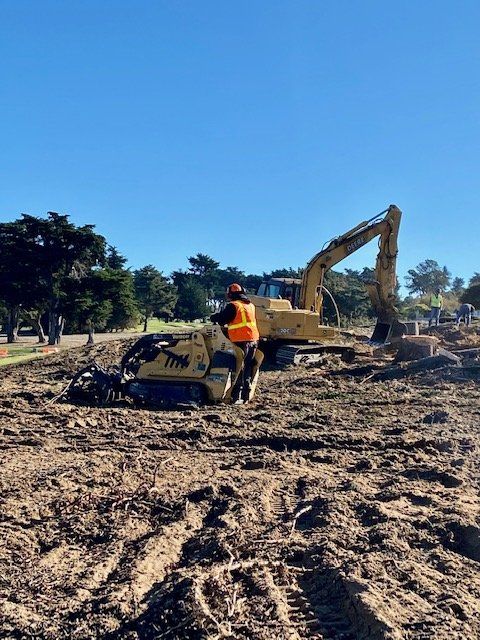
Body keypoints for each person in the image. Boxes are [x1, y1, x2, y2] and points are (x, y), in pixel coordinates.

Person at [210, 283, 260, 404]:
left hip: (240, 340)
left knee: (238, 368)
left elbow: (223, 318)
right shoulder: (250, 305)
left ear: (231, 294)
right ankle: (246, 395)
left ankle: (235, 395)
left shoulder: (233, 306)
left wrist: (214, 317)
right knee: (247, 366)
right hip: (253, 339)